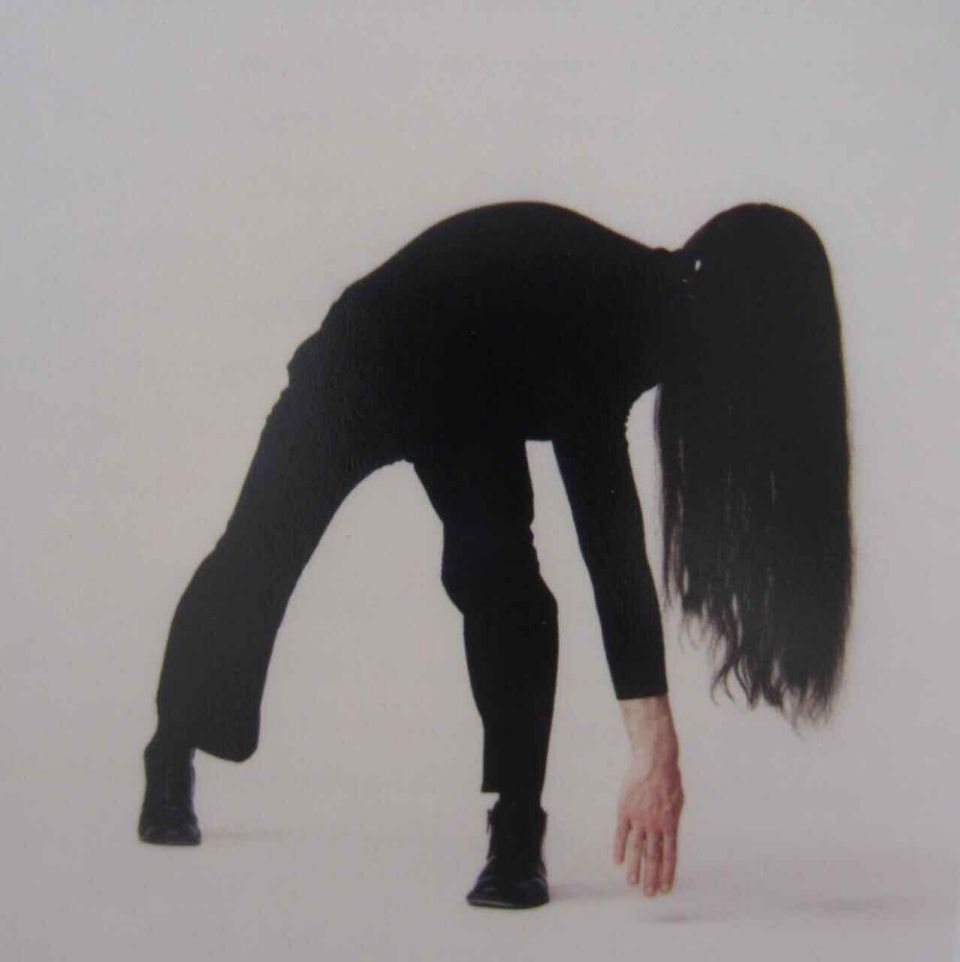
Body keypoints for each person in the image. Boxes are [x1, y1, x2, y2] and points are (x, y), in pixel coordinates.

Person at [137, 200, 852, 909]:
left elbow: (605, 527)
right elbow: (608, 539)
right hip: (368, 360)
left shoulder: (663, 318)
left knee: (503, 581)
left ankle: (515, 830)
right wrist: (654, 749)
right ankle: (172, 747)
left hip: (472, 397)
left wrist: (652, 746)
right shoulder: (612, 313)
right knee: (257, 554)